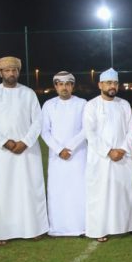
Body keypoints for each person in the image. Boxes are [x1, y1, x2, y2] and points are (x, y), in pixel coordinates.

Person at [0, 56, 48, 244]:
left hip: (27, 150)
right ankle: (3, 232)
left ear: (18, 72)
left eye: (14, 70)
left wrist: (25, 142)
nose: (11, 73)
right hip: (2, 152)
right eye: (7, 70)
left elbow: (38, 121)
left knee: (30, 188)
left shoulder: (28, 93)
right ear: (0, 72)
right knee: (3, 190)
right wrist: (5, 142)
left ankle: (34, 228)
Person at [83, 68, 132, 242]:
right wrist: (109, 151)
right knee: (100, 194)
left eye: (115, 83)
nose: (112, 86)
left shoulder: (124, 104)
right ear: (100, 85)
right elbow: (90, 133)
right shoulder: (91, 105)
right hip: (101, 159)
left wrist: (122, 150)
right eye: (109, 83)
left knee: (127, 192)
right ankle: (99, 229)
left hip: (123, 157)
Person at [41, 71, 87, 237]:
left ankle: (82, 226)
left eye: (67, 84)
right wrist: (59, 149)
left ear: (72, 86)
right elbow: (44, 131)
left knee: (79, 190)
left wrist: (71, 147)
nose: (64, 87)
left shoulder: (82, 104)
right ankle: (58, 228)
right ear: (55, 86)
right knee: (58, 191)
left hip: (78, 155)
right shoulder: (48, 105)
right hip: (57, 157)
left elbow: (86, 129)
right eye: (60, 84)